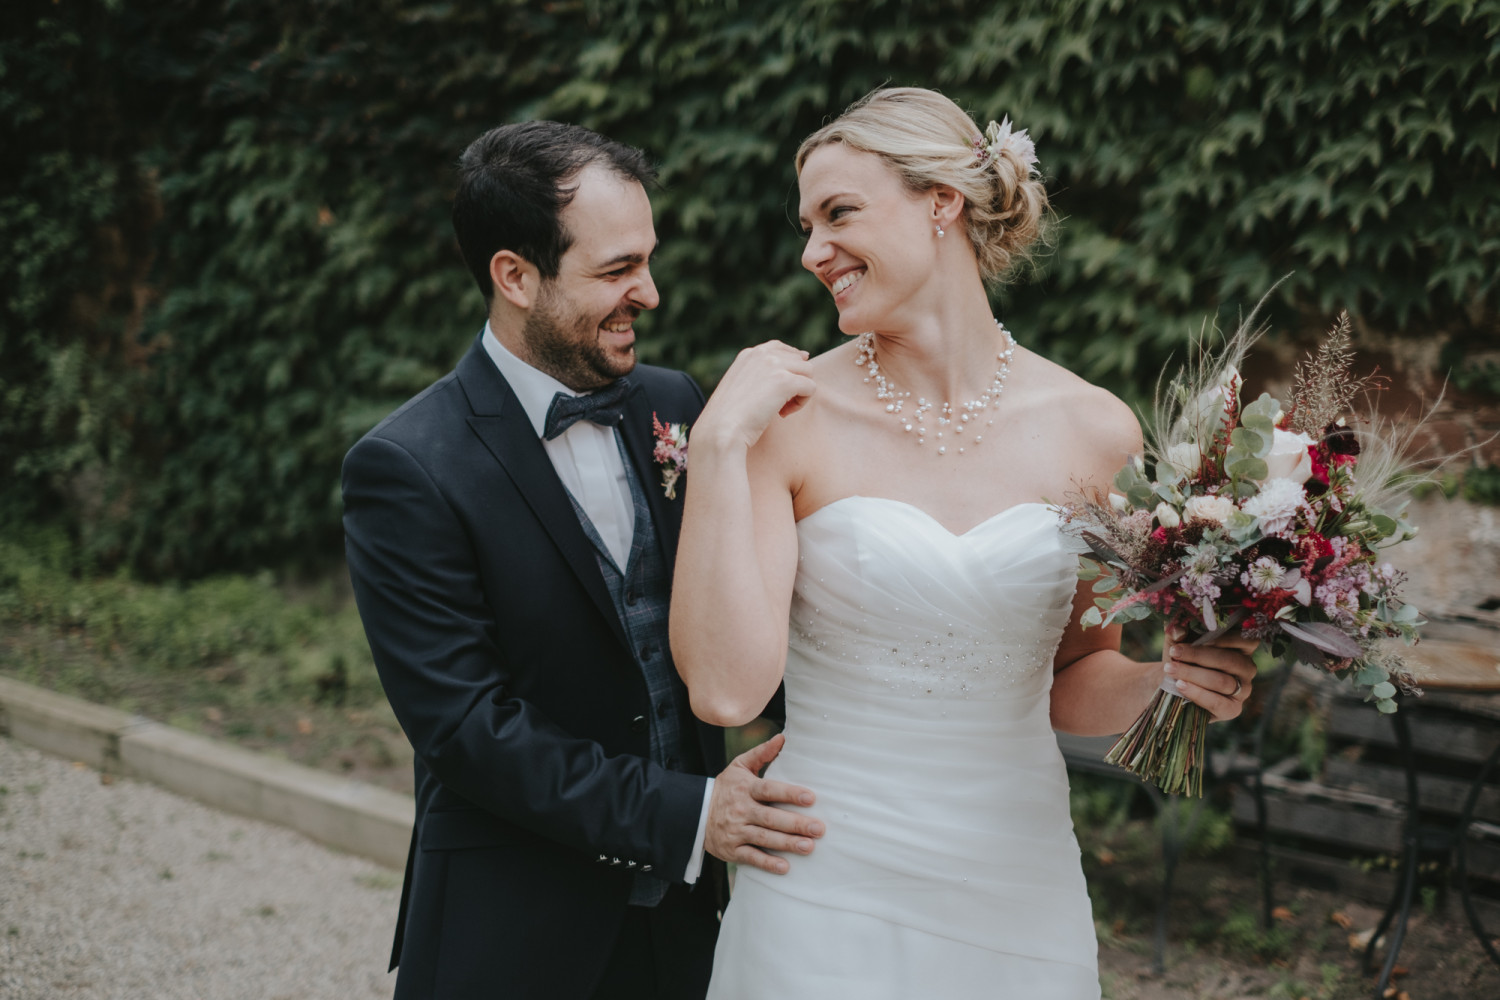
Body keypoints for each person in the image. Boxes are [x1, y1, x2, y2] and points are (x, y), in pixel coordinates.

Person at [670, 88, 1260, 999]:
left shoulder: (1094, 431)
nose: (811, 251)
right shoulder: (787, 417)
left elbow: (1072, 677)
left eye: (839, 213)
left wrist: (1167, 682)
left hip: (1017, 886)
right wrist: (715, 446)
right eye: (807, 224)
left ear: (941, 201)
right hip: (825, 880)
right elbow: (726, 690)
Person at [341, 121, 823, 1000]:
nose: (652, 292)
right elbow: (467, 729)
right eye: (616, 271)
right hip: (515, 930)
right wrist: (692, 813)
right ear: (515, 276)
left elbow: (743, 613)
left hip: (683, 928)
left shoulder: (678, 406)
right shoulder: (407, 467)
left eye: (647, 259)